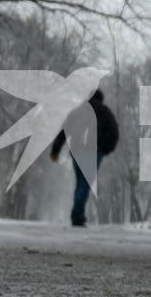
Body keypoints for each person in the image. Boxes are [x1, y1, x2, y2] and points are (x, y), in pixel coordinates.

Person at [49, 88, 120, 227]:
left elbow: (64, 130)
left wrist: (55, 150)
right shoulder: (106, 113)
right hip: (94, 152)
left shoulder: (78, 111)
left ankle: (78, 214)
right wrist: (104, 149)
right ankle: (77, 216)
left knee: (80, 183)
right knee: (85, 184)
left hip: (77, 151)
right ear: (101, 99)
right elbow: (114, 133)